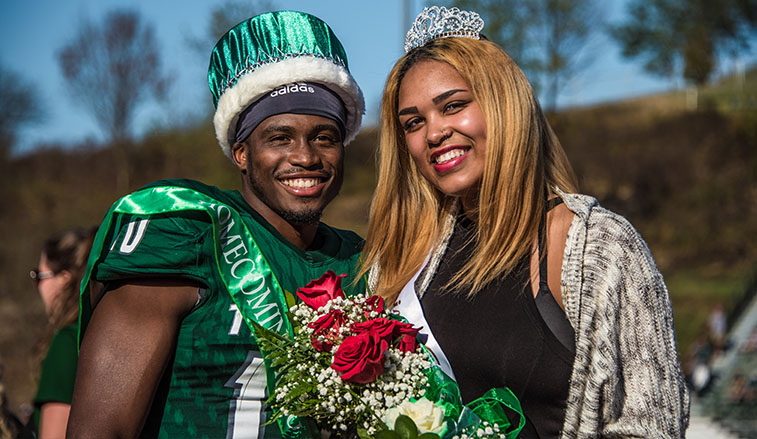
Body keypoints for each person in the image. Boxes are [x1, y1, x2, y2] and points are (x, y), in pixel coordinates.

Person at [361, 6, 690, 438]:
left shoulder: (599, 247)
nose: (434, 132)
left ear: (503, 104)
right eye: (414, 123)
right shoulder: (401, 260)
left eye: (454, 106)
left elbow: (652, 425)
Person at [67, 11, 365, 439]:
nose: (306, 156)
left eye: (325, 137)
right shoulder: (188, 230)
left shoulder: (358, 260)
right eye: (280, 137)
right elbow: (99, 431)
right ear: (241, 154)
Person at [29, 227, 96, 439]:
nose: (38, 284)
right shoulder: (96, 332)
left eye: (39, 275)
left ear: (64, 278)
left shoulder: (67, 342)